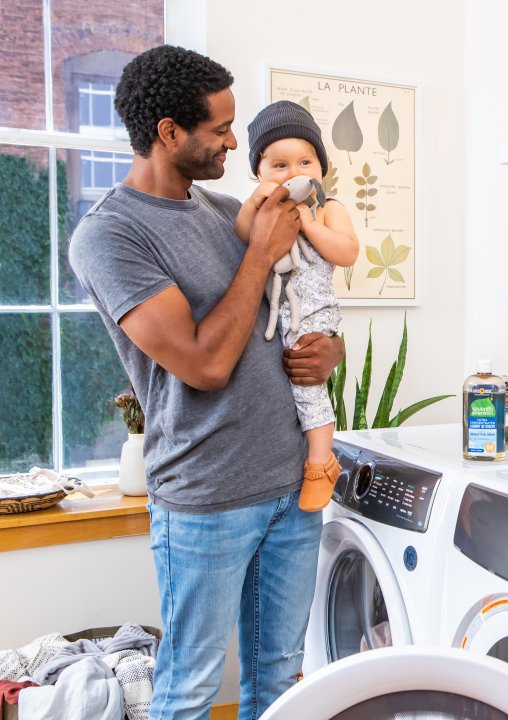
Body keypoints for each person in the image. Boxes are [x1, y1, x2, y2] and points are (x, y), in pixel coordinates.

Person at [68, 45, 344, 720]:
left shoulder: (228, 213)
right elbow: (203, 362)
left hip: (291, 489)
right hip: (205, 500)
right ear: (168, 133)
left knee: (279, 679)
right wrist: (258, 255)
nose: (232, 142)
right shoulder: (110, 236)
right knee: (189, 688)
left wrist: (329, 352)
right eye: (219, 129)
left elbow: (297, 308)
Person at [236, 100, 359, 512]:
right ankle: (313, 458)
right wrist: (256, 204)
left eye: (306, 161)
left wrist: (308, 223)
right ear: (260, 173)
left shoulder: (328, 209)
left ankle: (321, 463)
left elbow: (347, 252)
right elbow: (244, 237)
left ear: (321, 168)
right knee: (291, 386)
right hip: (279, 313)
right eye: (280, 165)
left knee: (310, 387)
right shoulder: (265, 210)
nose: (295, 173)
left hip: (314, 311)